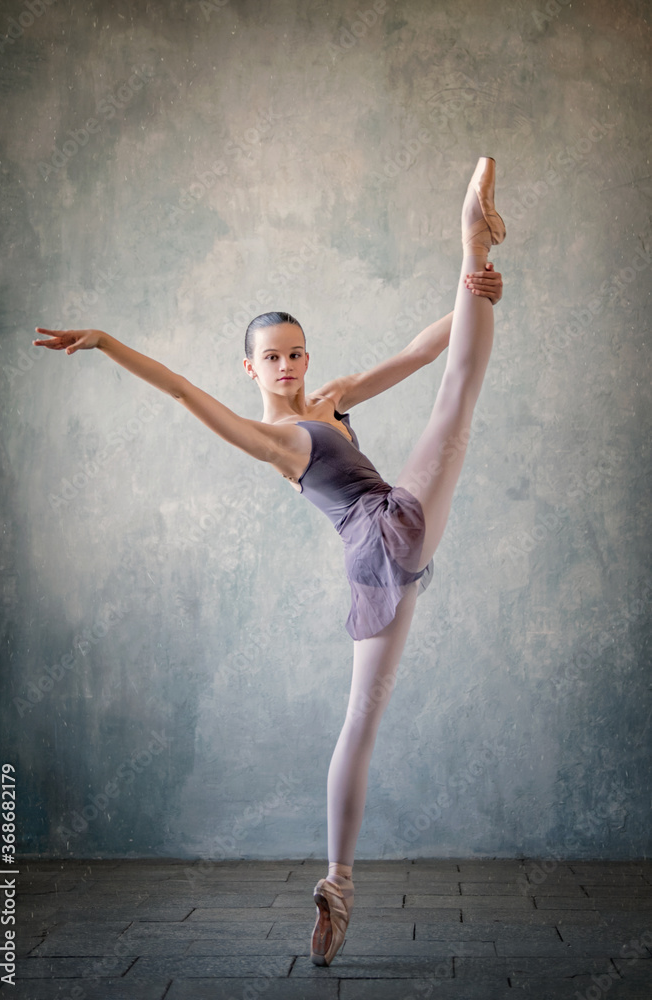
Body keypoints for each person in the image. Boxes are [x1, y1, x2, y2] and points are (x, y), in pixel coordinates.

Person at [34, 156, 505, 967]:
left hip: (374, 562)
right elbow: (183, 391)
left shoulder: (333, 402)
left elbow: (426, 348)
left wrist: (476, 296)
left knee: (360, 724)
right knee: (461, 393)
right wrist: (107, 341)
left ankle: (338, 885)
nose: (289, 367)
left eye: (297, 353)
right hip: (384, 531)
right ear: (248, 369)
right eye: (273, 358)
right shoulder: (276, 439)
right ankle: (472, 235)